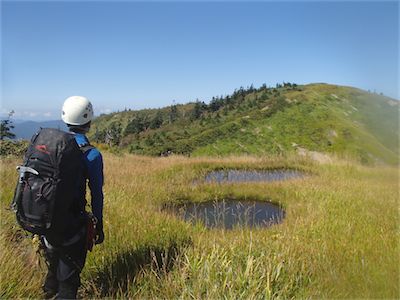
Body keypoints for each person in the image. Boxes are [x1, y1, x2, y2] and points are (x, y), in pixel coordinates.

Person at [42, 96, 104, 299]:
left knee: (52, 265)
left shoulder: (50, 145)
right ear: (89, 120)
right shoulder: (91, 154)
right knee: (68, 281)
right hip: (71, 225)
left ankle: (49, 291)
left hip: (45, 220)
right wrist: (98, 224)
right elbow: (96, 193)